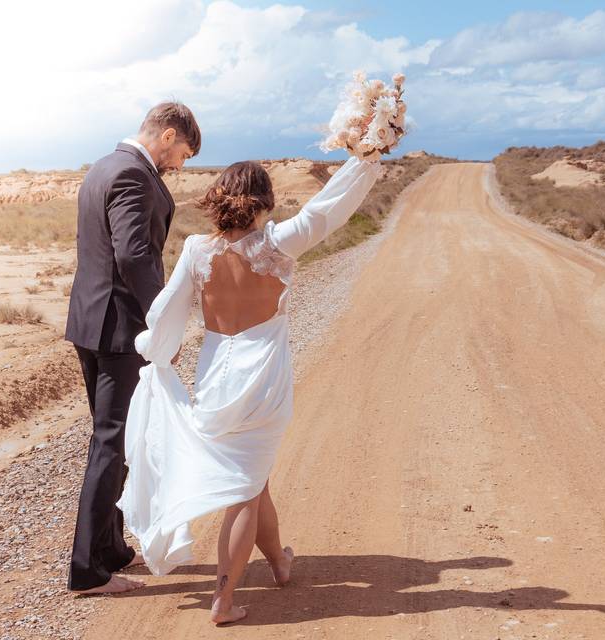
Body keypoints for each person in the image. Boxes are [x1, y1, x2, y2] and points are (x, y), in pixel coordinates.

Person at [117, 155, 382, 623]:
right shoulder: (278, 244)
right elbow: (328, 209)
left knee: (252, 480)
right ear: (264, 200)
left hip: (216, 378)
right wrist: (366, 161)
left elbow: (165, 314)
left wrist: (153, 350)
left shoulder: (198, 251)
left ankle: (279, 562)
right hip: (264, 380)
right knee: (245, 488)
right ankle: (223, 600)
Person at [64, 102, 200, 594]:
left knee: (113, 440)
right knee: (112, 441)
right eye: (183, 153)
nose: (180, 165)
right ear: (167, 136)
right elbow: (133, 254)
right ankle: (87, 570)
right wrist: (161, 318)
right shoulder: (133, 175)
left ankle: (111, 549)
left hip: (90, 322)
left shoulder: (102, 166)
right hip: (120, 328)